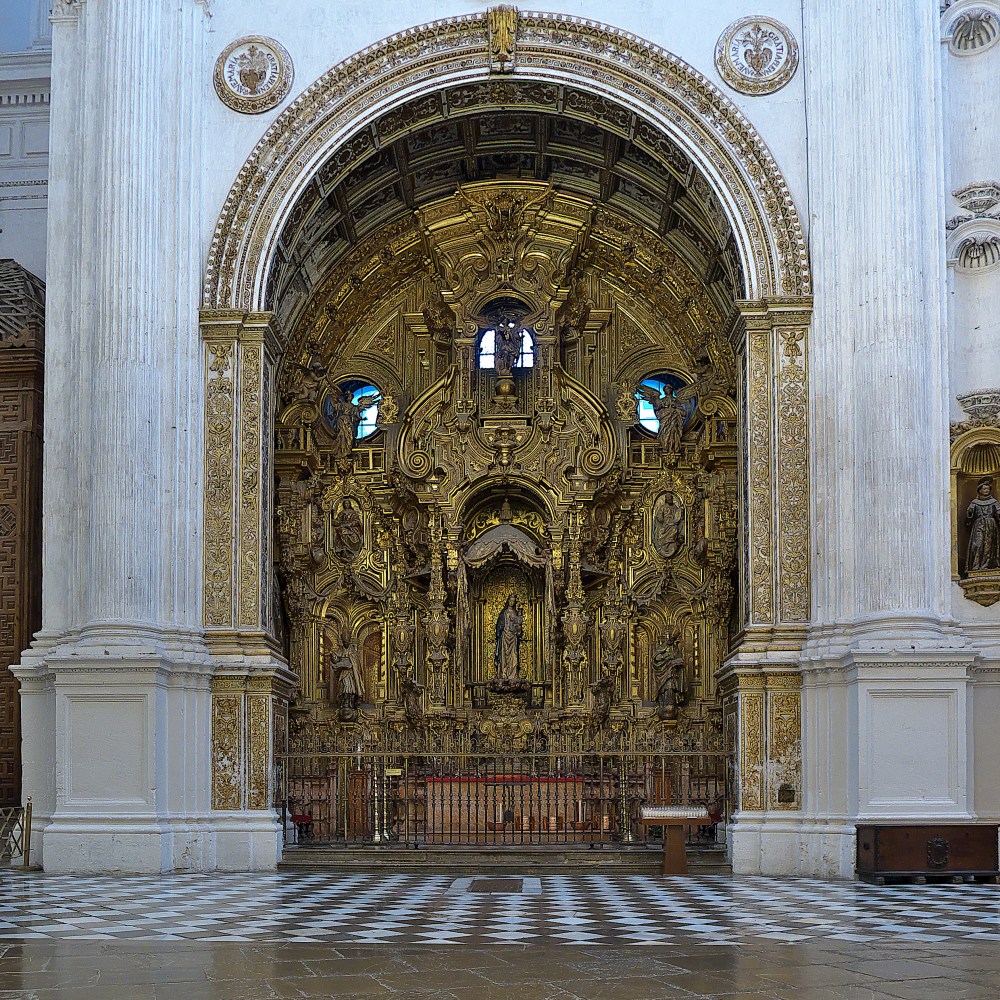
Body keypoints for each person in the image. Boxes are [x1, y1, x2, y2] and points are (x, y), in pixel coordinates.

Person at [327, 387, 380, 460]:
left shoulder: (353, 407)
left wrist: (361, 418)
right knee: (342, 435)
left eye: (351, 396)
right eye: (349, 396)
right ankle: (342, 450)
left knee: (349, 436)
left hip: (349, 421)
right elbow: (335, 407)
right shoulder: (342, 404)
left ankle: (347, 449)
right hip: (342, 420)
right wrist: (332, 396)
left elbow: (357, 415)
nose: (350, 398)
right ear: (347, 397)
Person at [966, 477, 1000, 572]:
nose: (986, 490)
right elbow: (969, 515)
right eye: (984, 489)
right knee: (977, 544)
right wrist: (969, 512)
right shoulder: (975, 502)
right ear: (980, 490)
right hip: (979, 525)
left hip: (990, 525)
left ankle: (986, 566)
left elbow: (998, 512)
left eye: (988, 489)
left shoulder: (994, 502)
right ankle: (975, 566)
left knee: (988, 547)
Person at [494, 594, 523, 679]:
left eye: (513, 601)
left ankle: (512, 674)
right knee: (503, 655)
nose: (511, 602)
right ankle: (503, 673)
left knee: (513, 655)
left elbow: (519, 625)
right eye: (510, 600)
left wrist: (518, 629)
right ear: (508, 601)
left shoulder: (515, 613)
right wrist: (500, 630)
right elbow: (499, 624)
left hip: (513, 637)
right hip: (504, 636)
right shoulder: (504, 613)